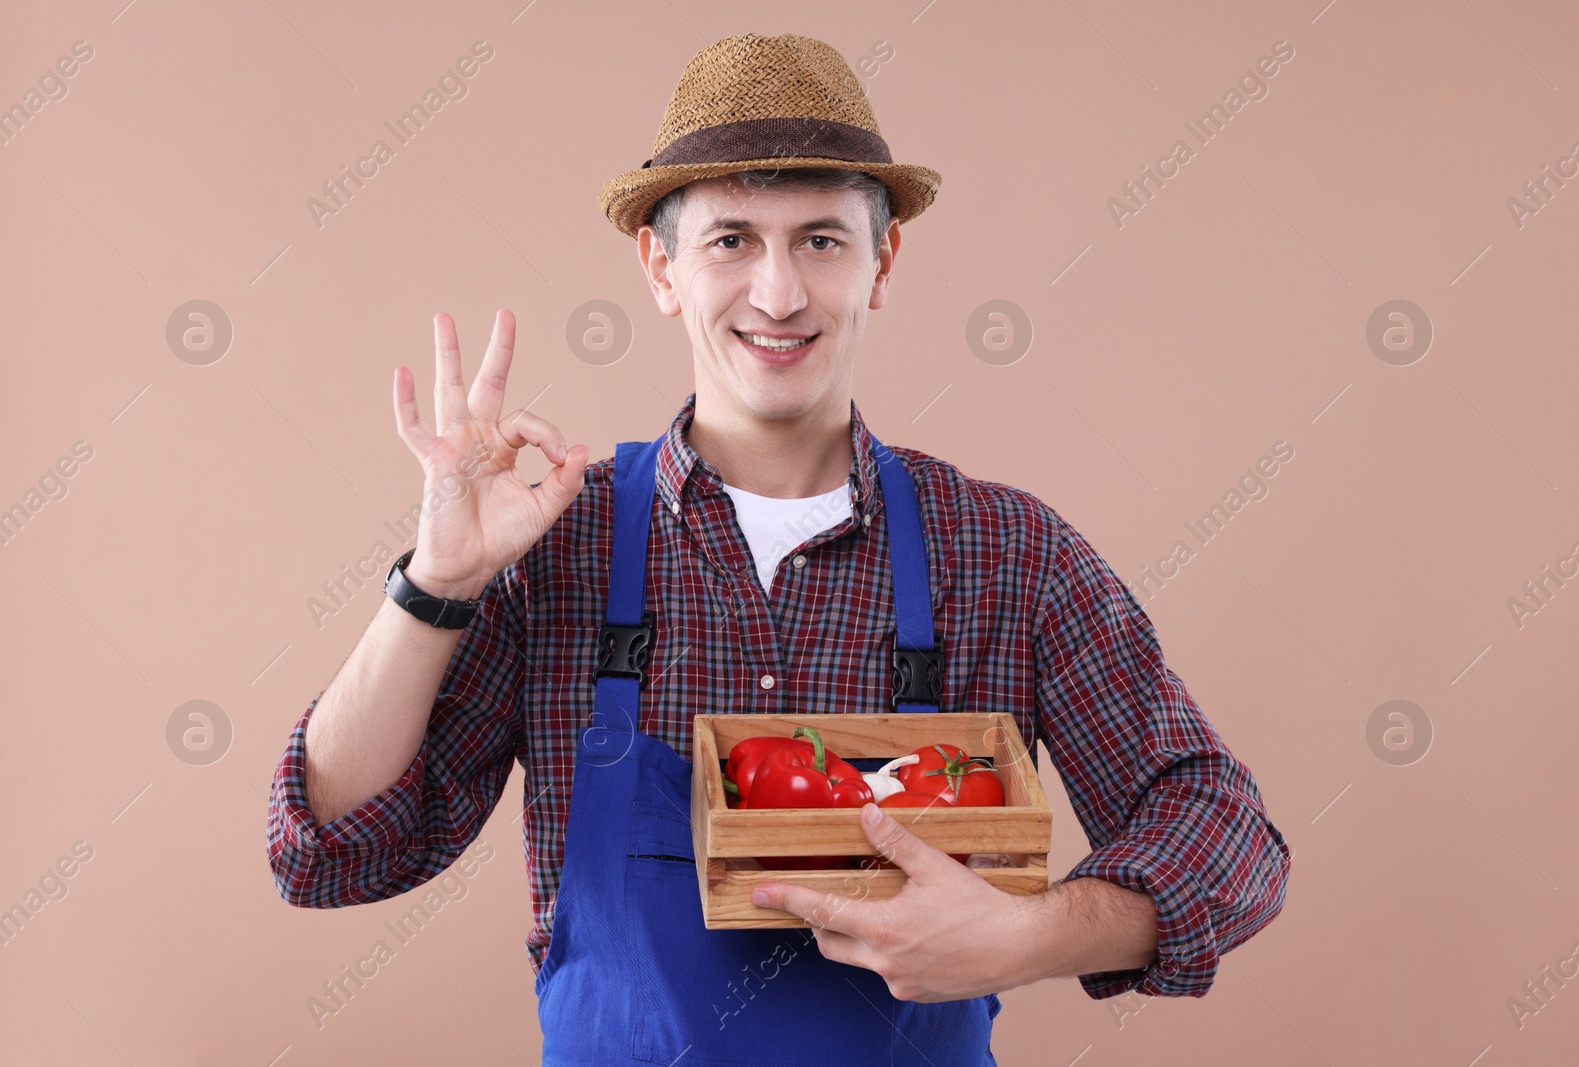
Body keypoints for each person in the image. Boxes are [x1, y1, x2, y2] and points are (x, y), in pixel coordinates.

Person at [266, 32, 1291, 1065]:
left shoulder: (1005, 552)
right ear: (659, 266)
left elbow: (1226, 835)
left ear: (881, 261)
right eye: (730, 241)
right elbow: (330, 848)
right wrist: (436, 586)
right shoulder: (558, 549)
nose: (778, 293)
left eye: (820, 239)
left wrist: (1029, 934)